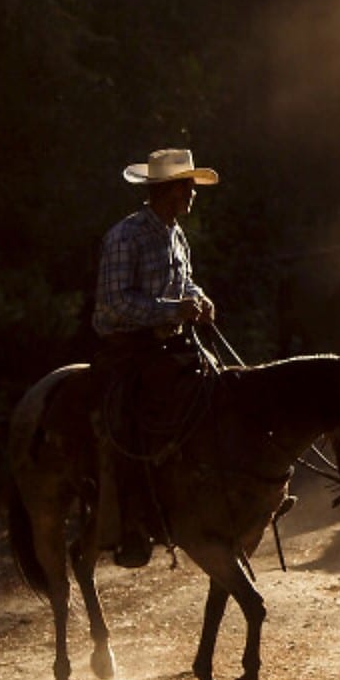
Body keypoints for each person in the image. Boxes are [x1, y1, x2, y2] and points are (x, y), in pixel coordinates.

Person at [92, 147, 219, 566]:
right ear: (167, 190)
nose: (192, 196)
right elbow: (113, 305)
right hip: (130, 350)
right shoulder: (126, 236)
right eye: (187, 188)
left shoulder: (175, 233)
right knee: (133, 425)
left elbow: (187, 284)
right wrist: (171, 310)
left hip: (170, 345)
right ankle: (133, 522)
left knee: (218, 389)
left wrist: (199, 300)